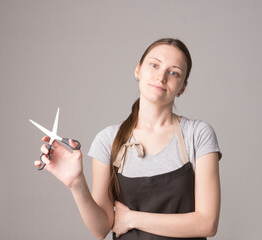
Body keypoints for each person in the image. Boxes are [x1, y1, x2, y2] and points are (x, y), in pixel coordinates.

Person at [35, 38, 222, 240]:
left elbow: (207, 224)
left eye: (173, 72)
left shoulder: (198, 134)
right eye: (154, 65)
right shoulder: (107, 140)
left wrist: (132, 218)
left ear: (183, 87)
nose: (161, 77)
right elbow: (101, 229)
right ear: (138, 70)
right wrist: (76, 183)